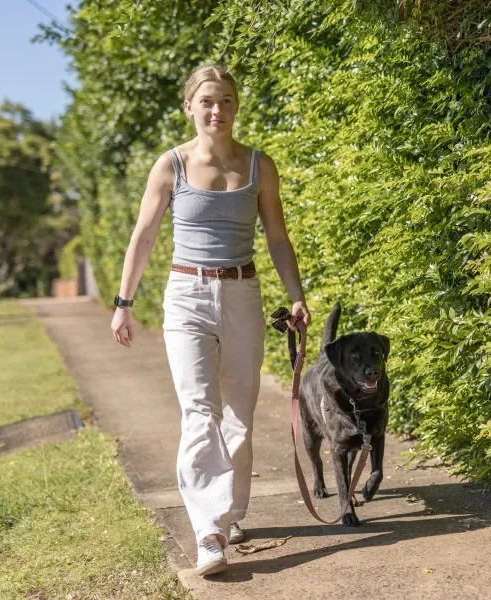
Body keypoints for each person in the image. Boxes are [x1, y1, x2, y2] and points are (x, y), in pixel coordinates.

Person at [109, 64, 311, 576]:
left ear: (236, 105)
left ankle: (230, 512)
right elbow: (144, 236)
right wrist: (124, 302)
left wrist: (296, 295)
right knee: (200, 410)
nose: (216, 110)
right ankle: (209, 533)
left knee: (239, 413)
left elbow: (277, 238)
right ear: (189, 107)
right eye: (206, 101)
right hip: (186, 294)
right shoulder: (170, 166)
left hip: (242, 291)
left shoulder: (259, 166)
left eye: (225, 100)